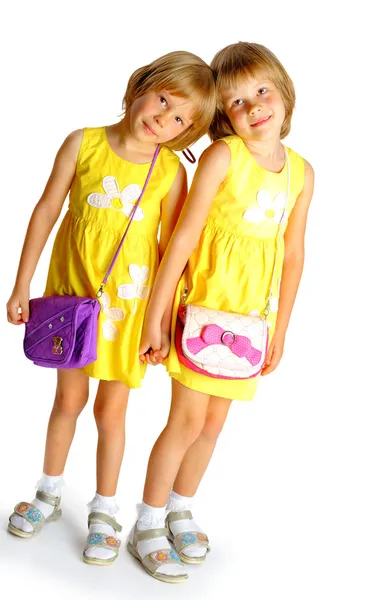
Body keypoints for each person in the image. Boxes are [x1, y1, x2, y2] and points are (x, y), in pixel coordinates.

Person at [5, 50, 216, 566]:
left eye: (180, 119)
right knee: (67, 402)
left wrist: (159, 323)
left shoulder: (169, 172)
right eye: (162, 98)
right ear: (141, 84)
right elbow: (46, 210)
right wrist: (21, 284)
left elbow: (171, 252)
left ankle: (104, 510)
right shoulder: (84, 142)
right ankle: (48, 494)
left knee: (110, 410)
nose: (163, 118)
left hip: (129, 311)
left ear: (186, 134)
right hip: (71, 302)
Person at [132, 42, 314, 583]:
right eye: (235, 102)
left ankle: (181, 507)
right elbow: (182, 239)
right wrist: (156, 316)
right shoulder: (222, 157)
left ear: (282, 91)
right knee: (185, 421)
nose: (253, 106)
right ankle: (148, 520)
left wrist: (279, 331)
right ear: (222, 118)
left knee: (213, 425)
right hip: (202, 310)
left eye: (261, 91)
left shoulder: (301, 173)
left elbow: (293, 252)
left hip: (248, 324)